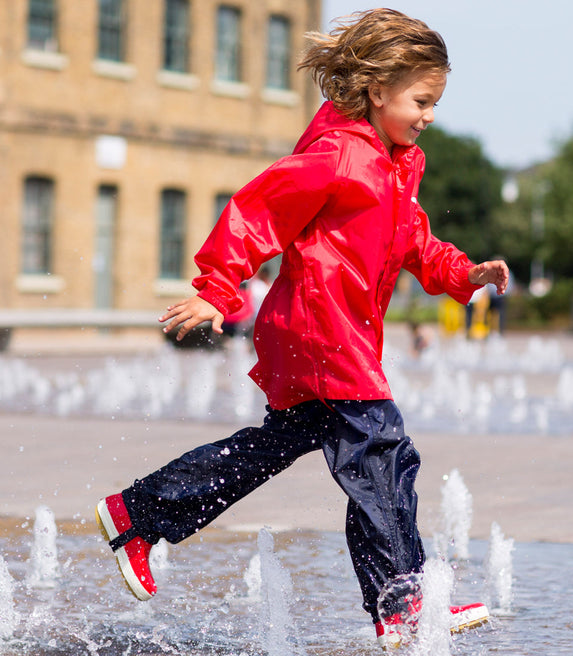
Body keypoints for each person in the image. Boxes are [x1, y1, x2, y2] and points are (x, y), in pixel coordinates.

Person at [95, 9, 508, 651]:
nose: (429, 115)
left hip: (332, 338)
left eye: (435, 103)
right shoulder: (339, 154)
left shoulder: (400, 164)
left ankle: (141, 513)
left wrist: (464, 272)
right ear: (378, 92)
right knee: (382, 453)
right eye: (421, 100)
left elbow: (416, 243)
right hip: (322, 334)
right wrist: (216, 288)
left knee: (272, 449)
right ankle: (403, 602)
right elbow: (256, 210)